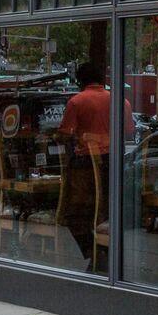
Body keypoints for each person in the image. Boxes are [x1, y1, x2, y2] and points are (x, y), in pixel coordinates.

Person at [57, 61, 111, 268]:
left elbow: (64, 134)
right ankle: (103, 250)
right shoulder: (119, 100)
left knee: (75, 213)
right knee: (105, 210)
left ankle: (93, 250)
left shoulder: (77, 102)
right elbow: (130, 130)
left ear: (80, 80)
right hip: (113, 162)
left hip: (84, 165)